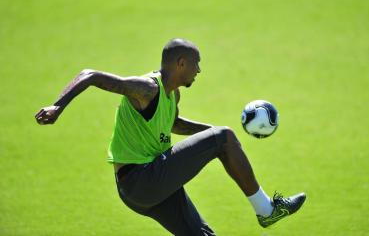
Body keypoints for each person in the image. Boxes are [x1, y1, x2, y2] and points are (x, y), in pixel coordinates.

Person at [35, 38, 306, 235]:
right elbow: (90, 75)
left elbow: (173, 124)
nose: (199, 70)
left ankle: (263, 207)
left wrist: (217, 137)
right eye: (196, 64)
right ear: (181, 63)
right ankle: (266, 211)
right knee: (223, 137)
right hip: (143, 179)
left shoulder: (172, 95)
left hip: (144, 188)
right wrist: (58, 106)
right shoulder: (147, 88)